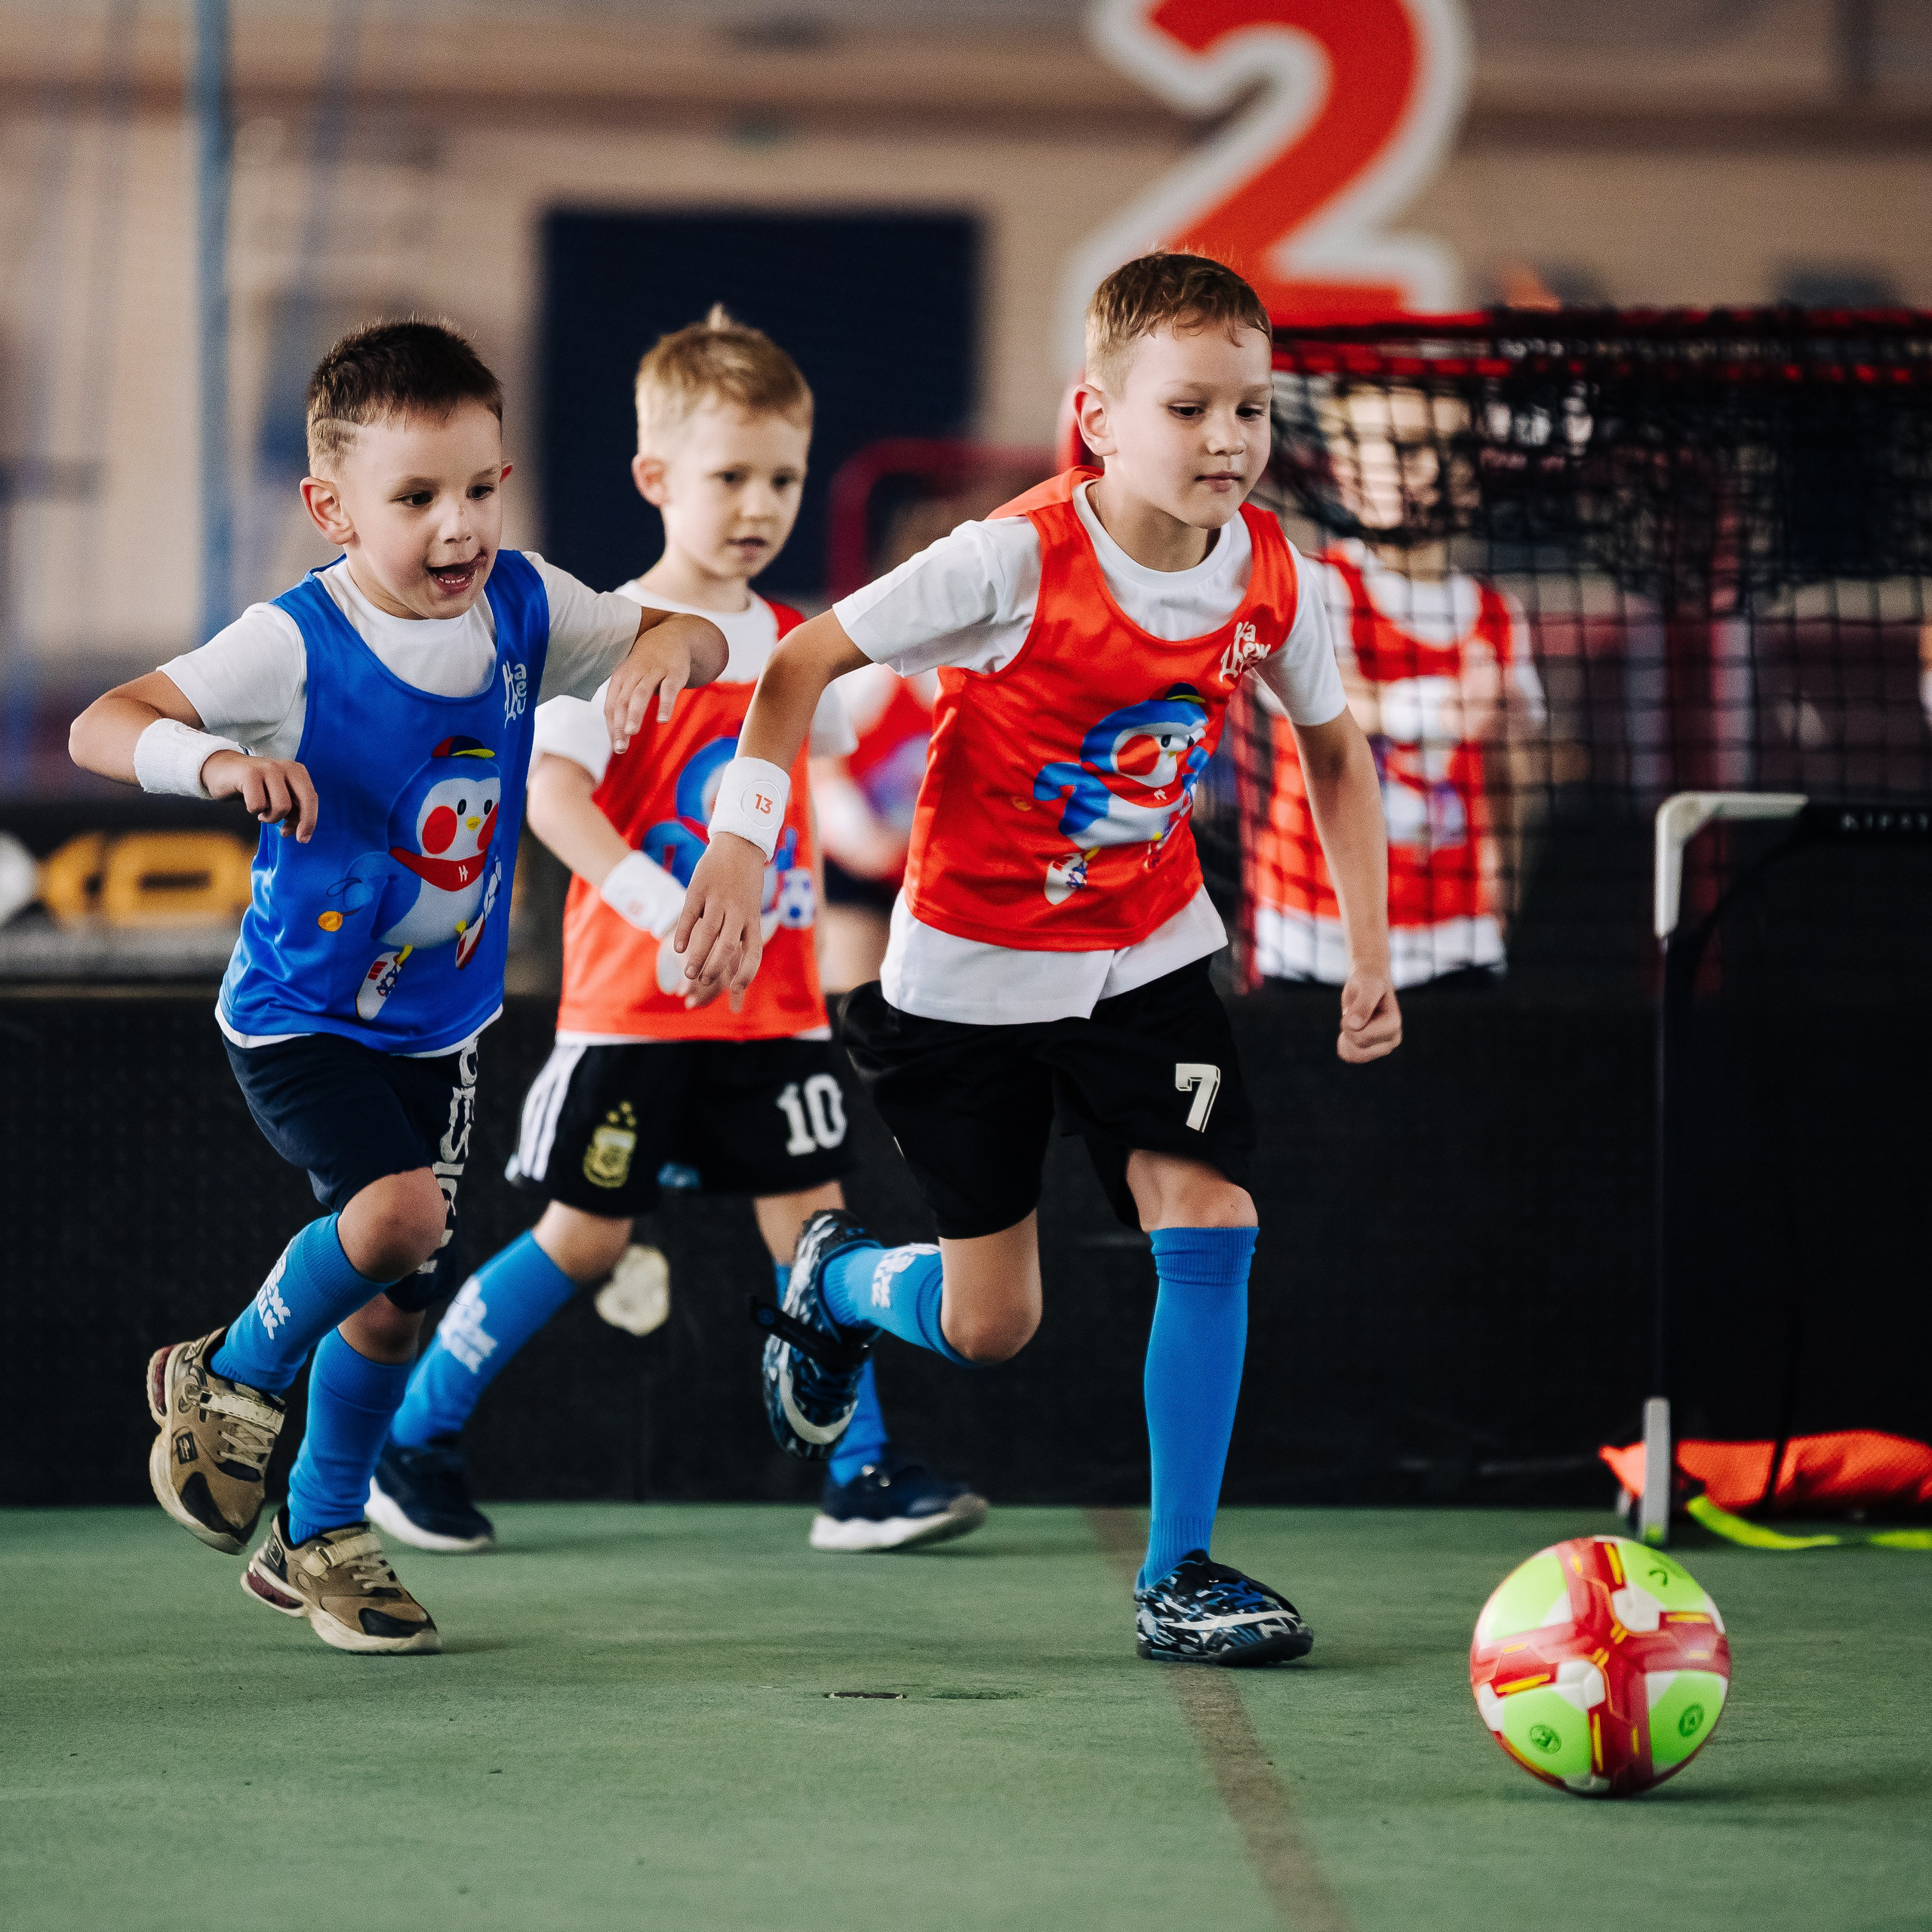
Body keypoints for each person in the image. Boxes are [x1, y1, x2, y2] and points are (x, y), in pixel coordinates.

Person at [675, 253, 1403, 1665]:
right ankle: (838, 1283)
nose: (1228, 439)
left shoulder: (1273, 575)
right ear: (1098, 417)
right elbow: (798, 665)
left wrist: (1369, 946)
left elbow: (1334, 752)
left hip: (1146, 951)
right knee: (991, 1325)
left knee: (1215, 1216)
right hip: (970, 975)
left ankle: (1179, 1574)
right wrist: (743, 845)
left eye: (1250, 408)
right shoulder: (1011, 559)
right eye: (1189, 408)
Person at [69, 318, 728, 1654]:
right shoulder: (292, 643)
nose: (457, 525)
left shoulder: (530, 604)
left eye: (480, 488)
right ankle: (230, 1371)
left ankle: (320, 1535)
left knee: (398, 1292)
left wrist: (675, 646)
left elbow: (694, 634)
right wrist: (215, 765)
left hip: (443, 1028)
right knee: (398, 1216)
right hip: (302, 1018)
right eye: (416, 497)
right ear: (333, 509)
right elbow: (103, 723)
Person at [367, 309, 986, 1558]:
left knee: (814, 1232)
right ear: (655, 477)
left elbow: (849, 779)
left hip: (777, 1009)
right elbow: (551, 797)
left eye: (783, 478)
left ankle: (861, 1473)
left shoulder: (802, 644)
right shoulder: (607, 632)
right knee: (583, 1240)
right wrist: (668, 906)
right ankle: (412, 1445)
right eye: (730, 476)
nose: (760, 505)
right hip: (635, 1011)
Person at [1251, 383, 1551, 986]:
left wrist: (1504, 886)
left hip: (1453, 937)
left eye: (1451, 448)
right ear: (1346, 471)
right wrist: (1439, 708)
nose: (1433, 471)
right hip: (1316, 935)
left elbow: (1511, 777)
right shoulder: (1316, 585)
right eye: (1406, 447)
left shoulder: (1497, 617)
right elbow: (1324, 698)